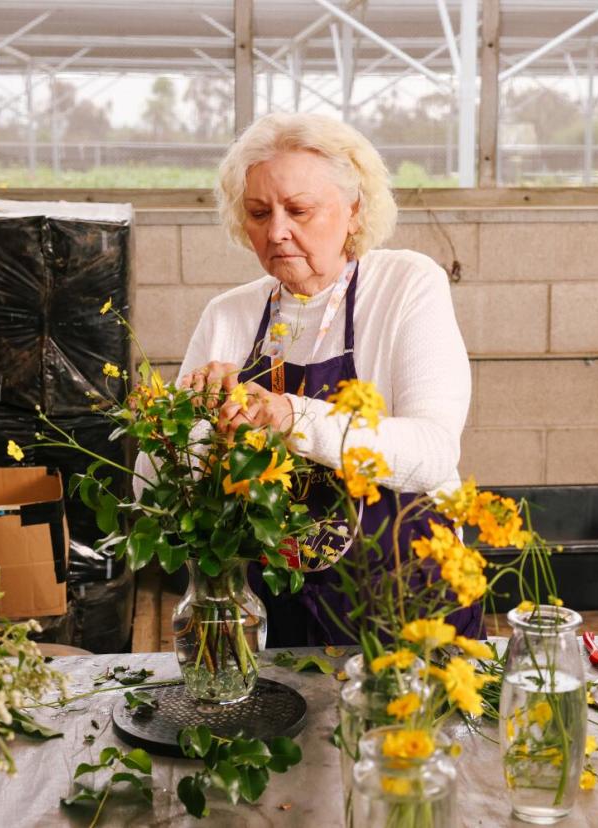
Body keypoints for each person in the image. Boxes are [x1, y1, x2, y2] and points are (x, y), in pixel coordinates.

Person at [172, 112, 478, 646]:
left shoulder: (406, 285)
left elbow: (432, 452)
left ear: (355, 210)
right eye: (259, 212)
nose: (277, 230)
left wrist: (291, 415)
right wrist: (196, 426)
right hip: (277, 602)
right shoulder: (228, 315)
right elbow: (151, 481)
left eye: (299, 209)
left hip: (408, 596)